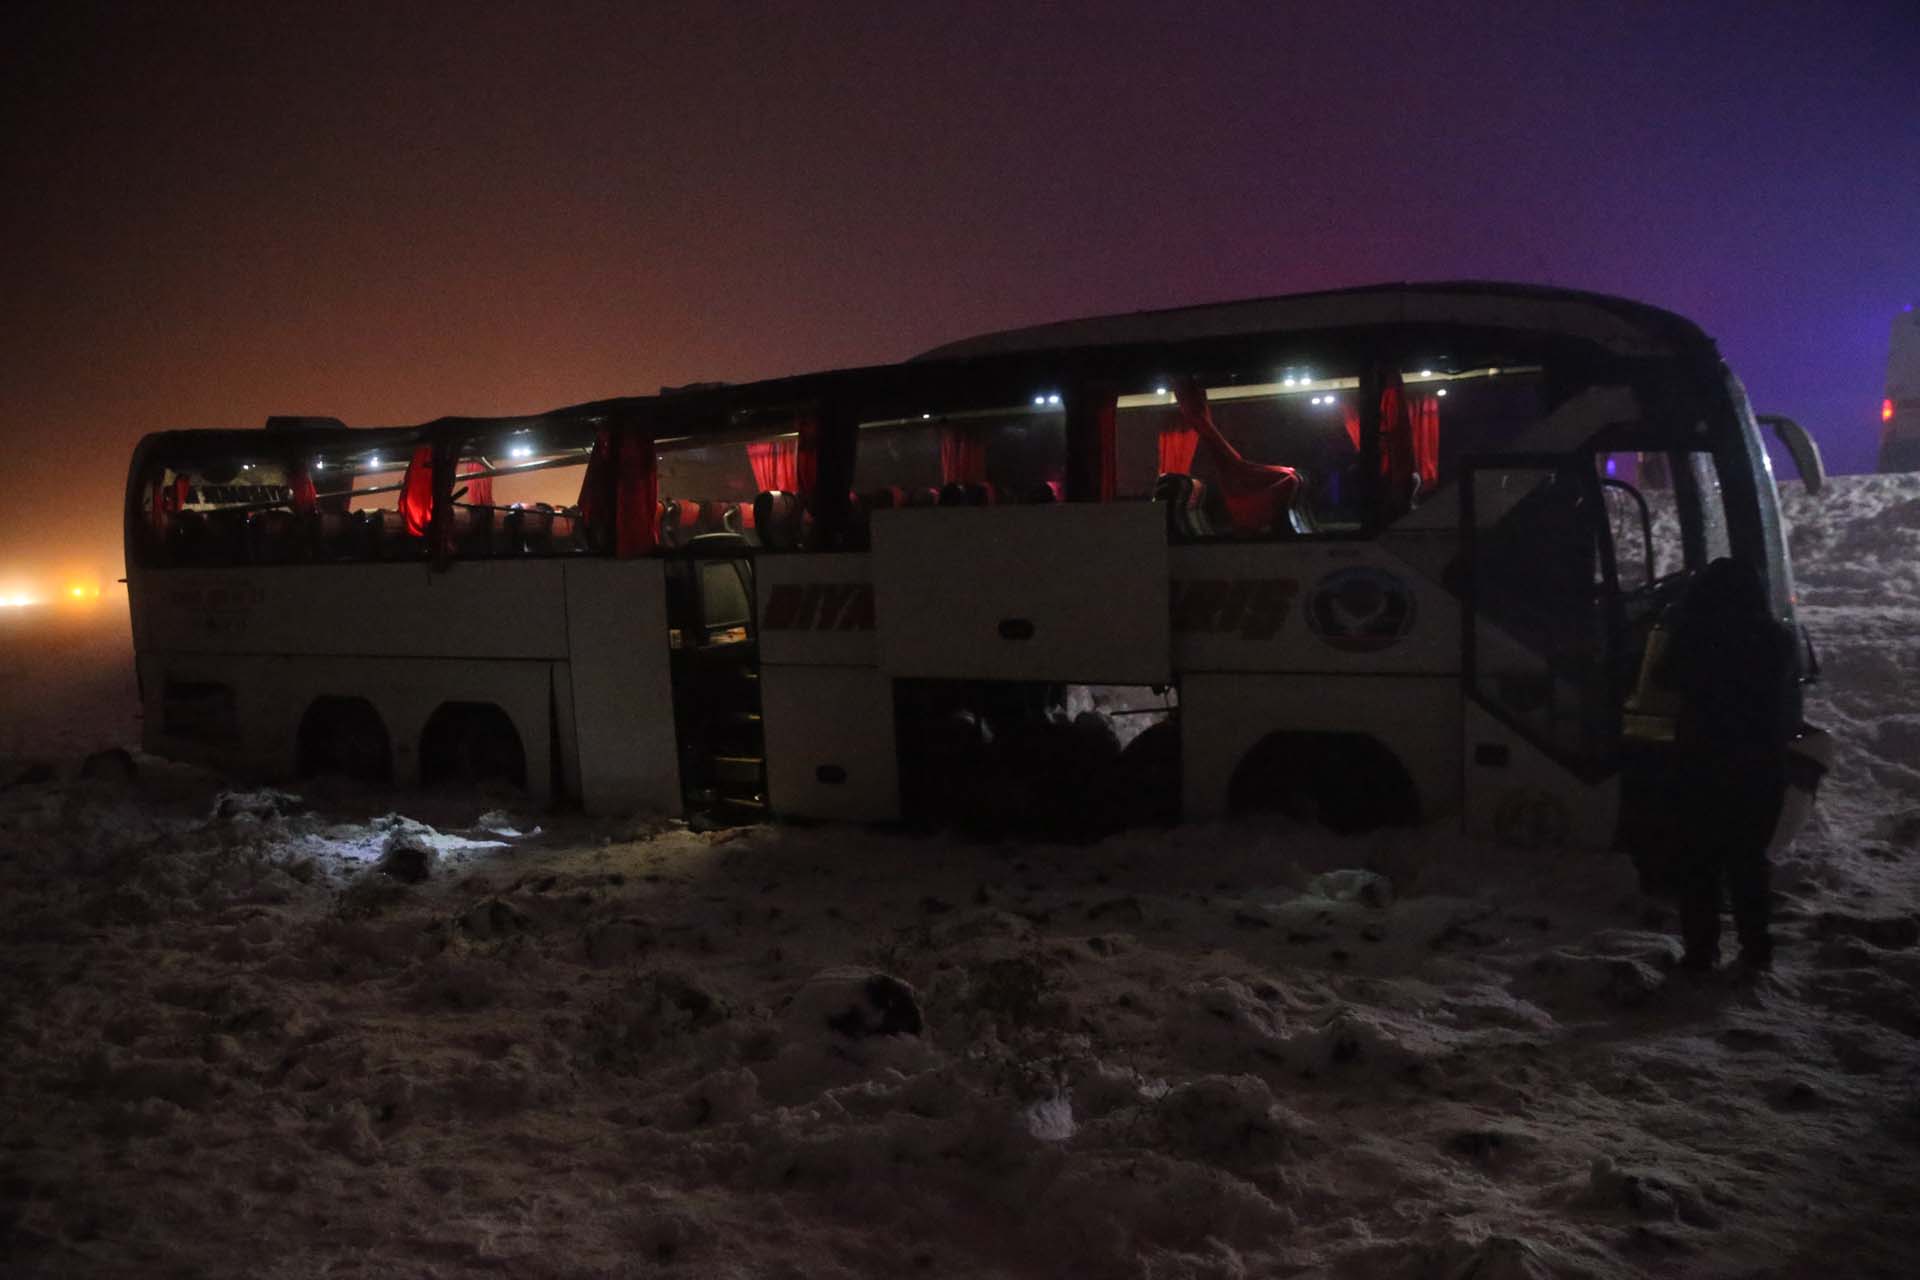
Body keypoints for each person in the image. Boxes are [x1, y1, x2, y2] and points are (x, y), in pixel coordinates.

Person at [1654, 557, 1802, 972]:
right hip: (1759, 766)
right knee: (1748, 862)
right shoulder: (1776, 640)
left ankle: (1702, 953)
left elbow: (1664, 680)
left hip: (1701, 762)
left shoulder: (1694, 638)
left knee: (1698, 862)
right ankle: (1756, 951)